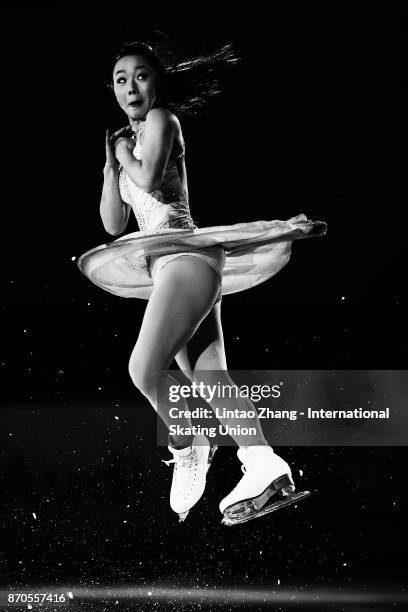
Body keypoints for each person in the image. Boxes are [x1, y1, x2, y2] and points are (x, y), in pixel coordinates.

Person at [78, 39, 326, 524]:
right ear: (112, 89)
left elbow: (148, 183)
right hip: (169, 264)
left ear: (158, 82)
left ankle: (189, 436)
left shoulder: (162, 120)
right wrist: (110, 169)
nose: (131, 86)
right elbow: (113, 224)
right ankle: (264, 464)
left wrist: (125, 157)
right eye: (121, 79)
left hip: (184, 256)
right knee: (210, 378)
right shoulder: (128, 141)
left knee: (142, 368)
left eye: (141, 75)